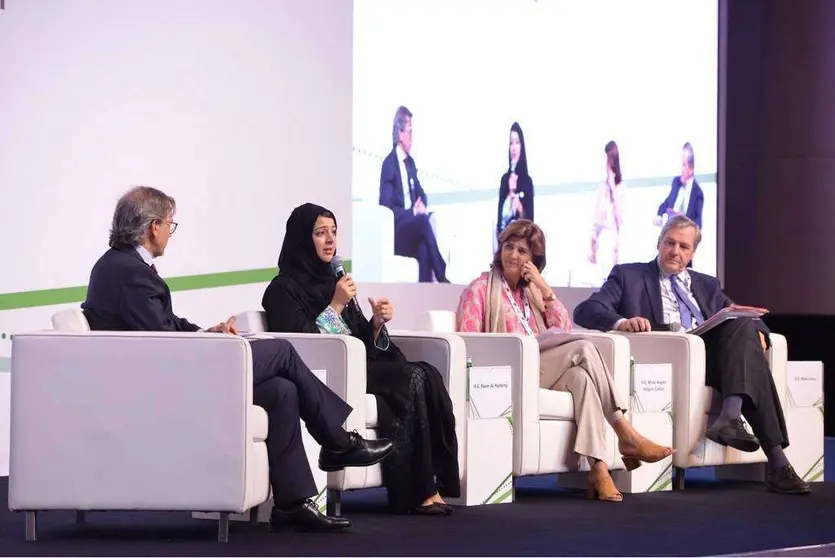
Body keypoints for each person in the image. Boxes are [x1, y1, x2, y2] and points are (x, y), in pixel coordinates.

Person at [82, 186, 395, 533]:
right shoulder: (128, 272)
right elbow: (163, 337)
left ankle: (292, 503)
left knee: (281, 391)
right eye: (170, 225)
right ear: (153, 226)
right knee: (280, 350)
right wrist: (207, 341)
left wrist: (210, 333)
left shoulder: (125, 266)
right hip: (170, 375)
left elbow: (165, 325)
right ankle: (337, 442)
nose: (171, 233)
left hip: (174, 364)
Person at [573, 215, 811, 495]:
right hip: (670, 359)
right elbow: (585, 310)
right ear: (658, 243)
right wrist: (621, 322)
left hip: (715, 359)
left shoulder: (707, 285)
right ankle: (775, 461)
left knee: (744, 329)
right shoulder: (629, 275)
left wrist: (760, 329)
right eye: (670, 243)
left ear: (693, 253)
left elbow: (739, 312)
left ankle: (734, 421)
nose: (676, 251)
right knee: (746, 351)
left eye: (684, 247)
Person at [261, 203, 461, 515]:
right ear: (302, 239)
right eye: (320, 233)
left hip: (359, 366)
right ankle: (418, 493)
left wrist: (377, 324)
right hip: (327, 375)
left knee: (427, 372)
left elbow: (359, 341)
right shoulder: (281, 290)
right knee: (412, 377)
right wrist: (336, 305)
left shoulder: (334, 281)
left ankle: (436, 483)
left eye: (334, 232)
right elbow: (302, 346)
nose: (330, 240)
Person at [455, 219, 673, 503]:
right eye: (509, 247)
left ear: (533, 261)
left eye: (523, 251)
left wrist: (544, 287)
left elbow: (564, 329)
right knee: (583, 347)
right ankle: (625, 432)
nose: (513, 255)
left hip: (538, 369)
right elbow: (471, 344)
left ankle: (599, 470)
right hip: (504, 373)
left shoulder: (531, 292)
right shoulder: (480, 289)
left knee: (581, 378)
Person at [378, 105, 449, 283]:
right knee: (423, 221)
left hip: (412, 229)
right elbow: (386, 208)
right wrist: (413, 213)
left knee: (423, 247)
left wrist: (421, 204)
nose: (412, 137)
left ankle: (424, 296)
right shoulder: (389, 165)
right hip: (397, 232)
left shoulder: (410, 164)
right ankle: (441, 274)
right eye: (410, 132)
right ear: (400, 134)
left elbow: (421, 192)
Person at [590, 140, 625, 278]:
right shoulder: (601, 187)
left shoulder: (621, 188)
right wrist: (592, 243)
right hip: (600, 238)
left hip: (611, 237)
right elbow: (596, 219)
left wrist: (612, 188)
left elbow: (620, 220)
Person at [496, 122, 535, 240]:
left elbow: (531, 222)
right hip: (505, 245)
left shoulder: (527, 181)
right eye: (511, 143)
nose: (513, 148)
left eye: (517, 142)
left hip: (522, 244)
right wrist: (510, 193)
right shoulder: (504, 180)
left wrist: (520, 207)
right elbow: (500, 223)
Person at [654, 142, 704, 230]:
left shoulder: (698, 193)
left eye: (684, 165)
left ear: (691, 168)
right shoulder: (676, 182)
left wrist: (683, 220)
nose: (681, 169)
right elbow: (667, 203)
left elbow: (698, 223)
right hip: (670, 230)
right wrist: (659, 215)